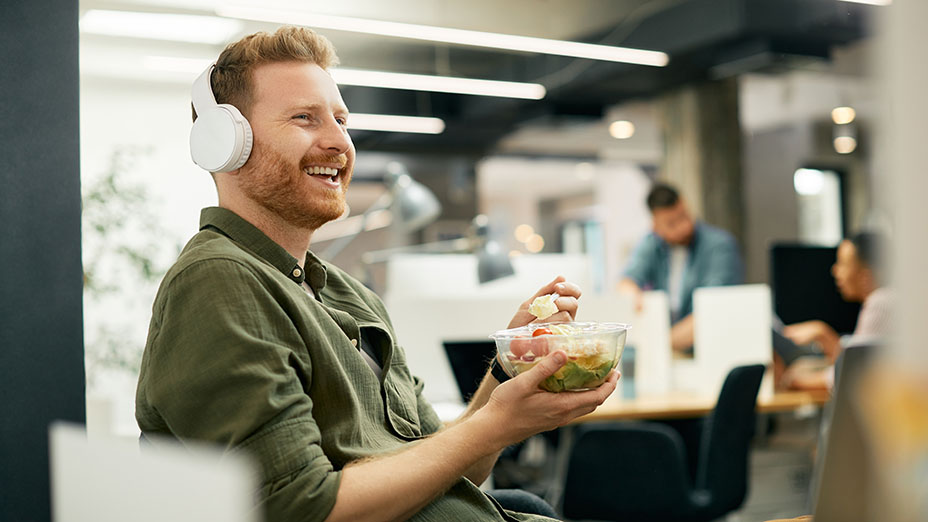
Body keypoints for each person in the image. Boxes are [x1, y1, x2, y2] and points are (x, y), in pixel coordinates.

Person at [135, 26, 618, 522]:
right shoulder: (219, 282)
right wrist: (494, 425)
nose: (338, 142)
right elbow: (300, 509)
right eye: (305, 118)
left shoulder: (345, 294)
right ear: (225, 143)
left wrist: (506, 370)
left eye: (341, 120)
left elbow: (447, 462)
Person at [618, 182, 743, 353]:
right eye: (671, 224)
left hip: (711, 348)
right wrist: (632, 297)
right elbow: (627, 282)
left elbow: (712, 311)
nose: (683, 227)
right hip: (671, 350)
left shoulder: (719, 246)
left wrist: (658, 343)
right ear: (655, 225)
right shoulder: (652, 244)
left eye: (684, 216)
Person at [780, 231, 892, 390]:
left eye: (842, 264)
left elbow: (850, 374)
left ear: (865, 275)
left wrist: (793, 380)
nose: (835, 270)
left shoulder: (880, 303)